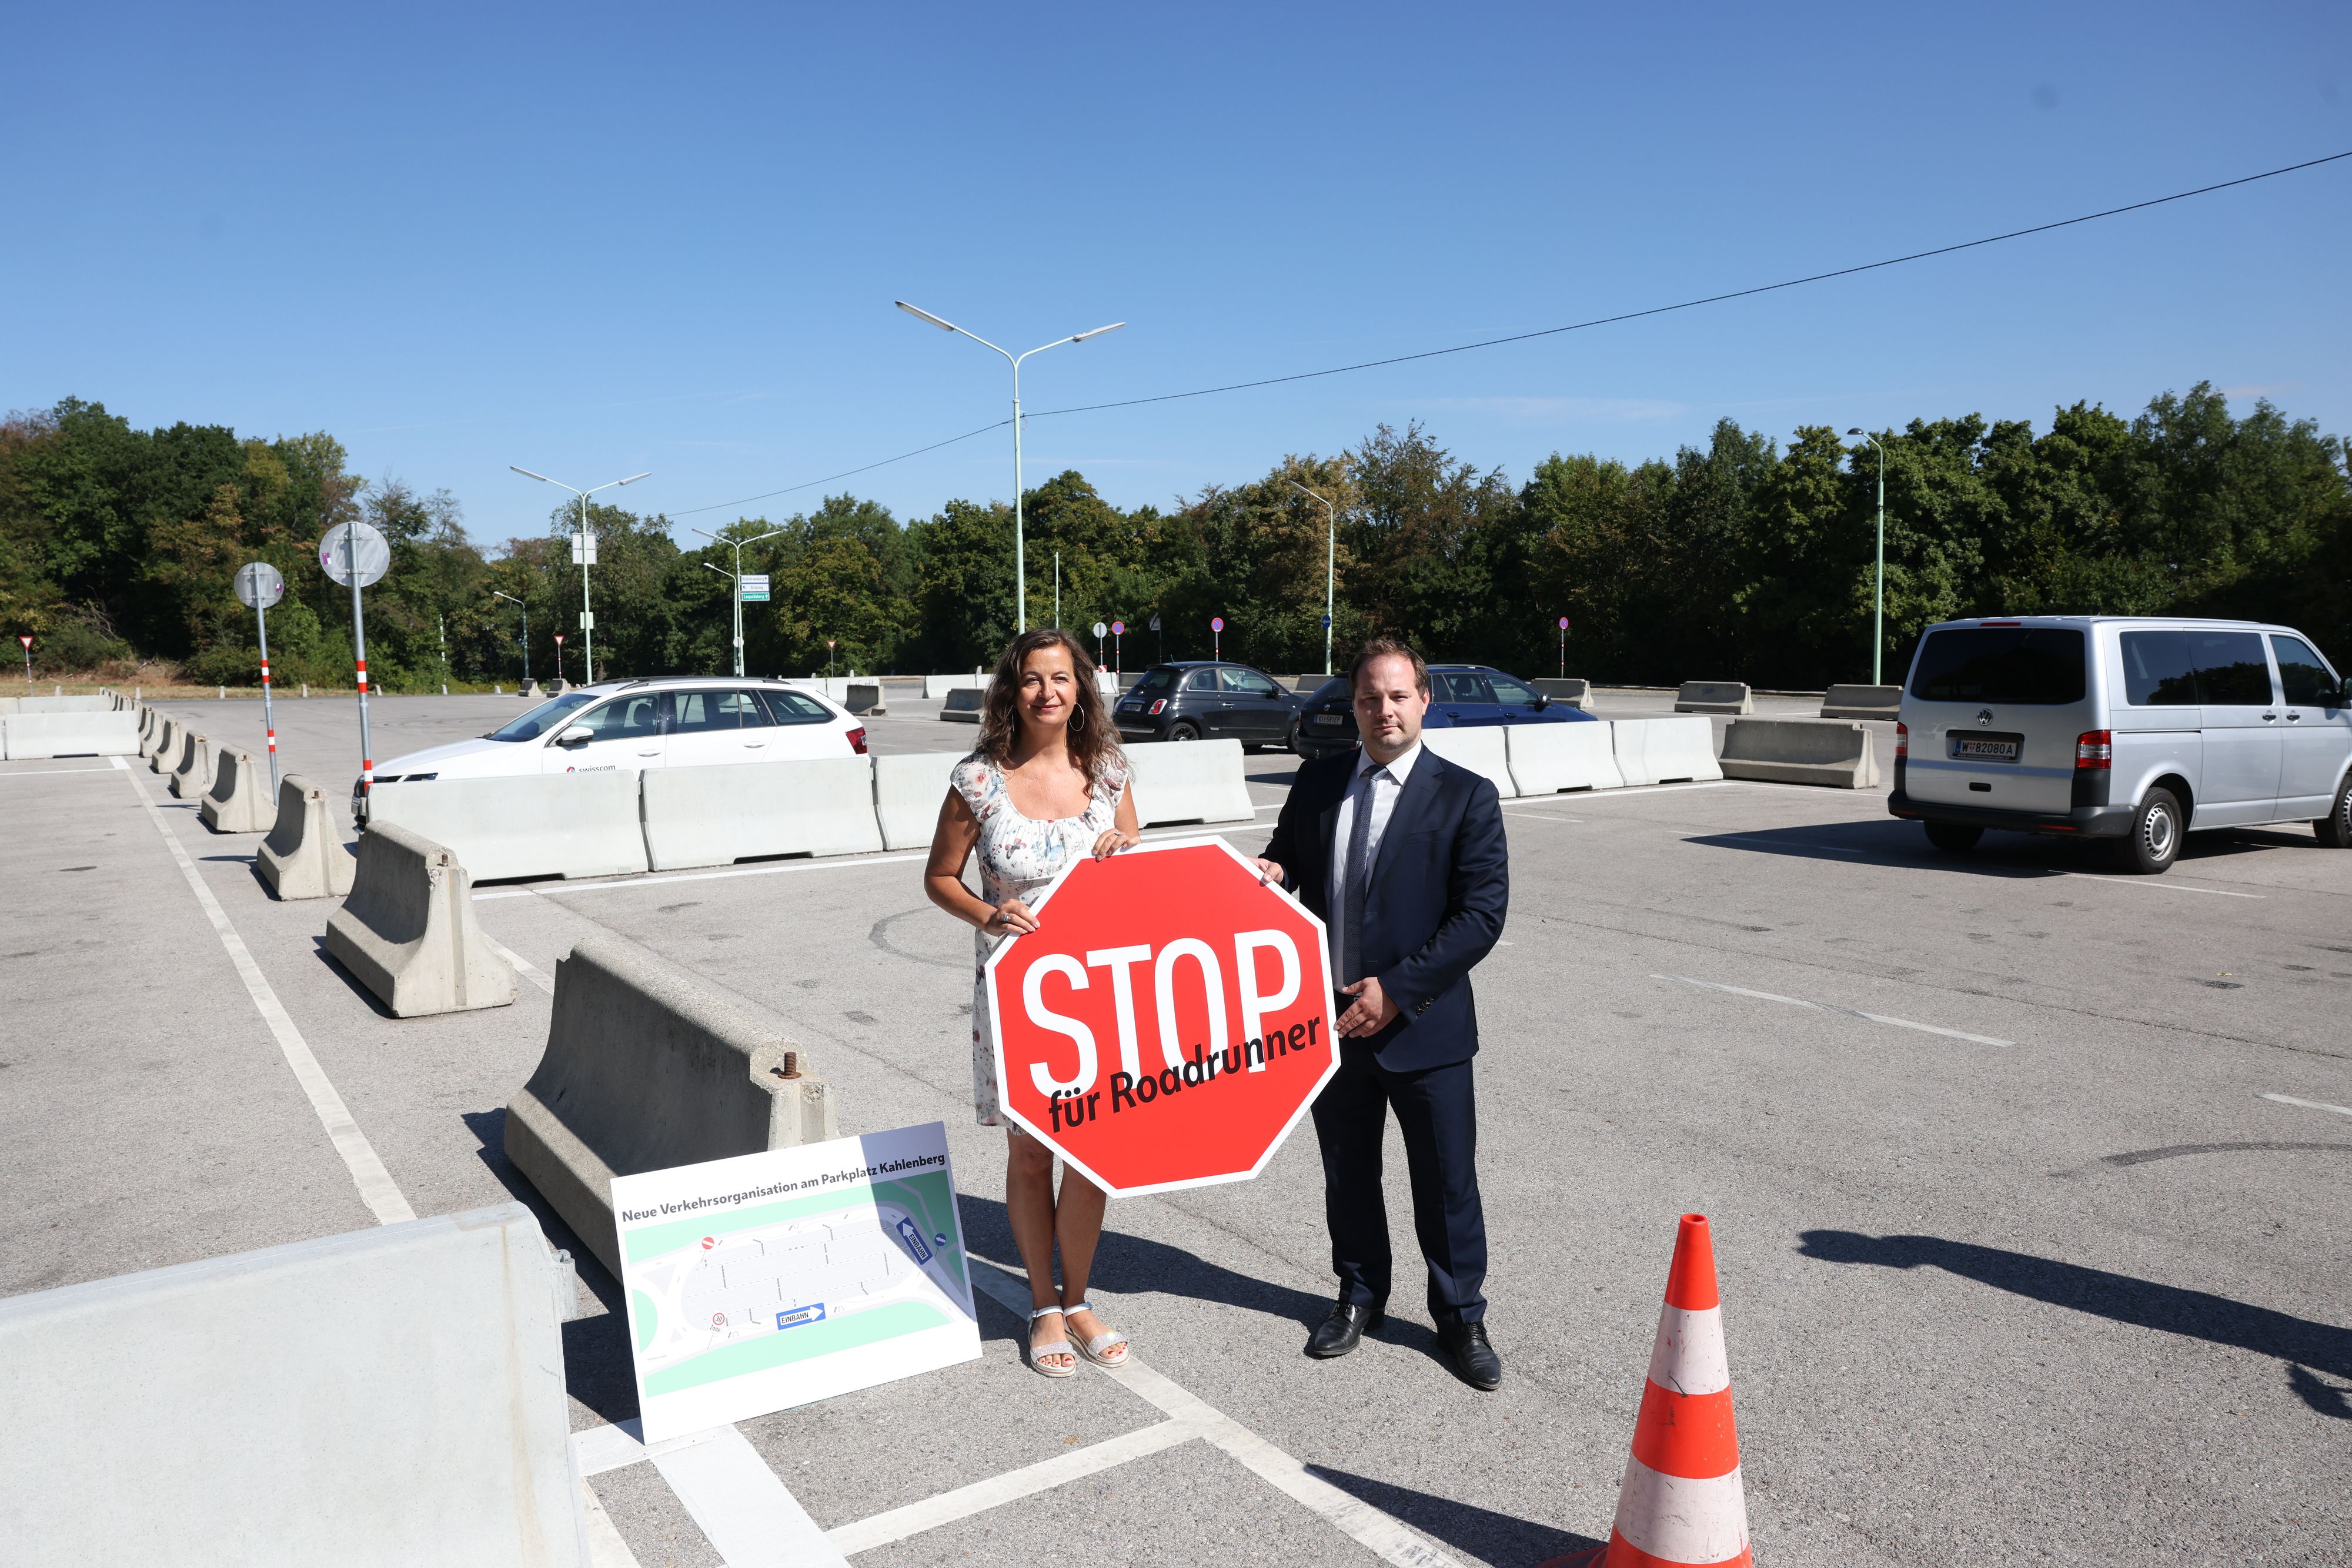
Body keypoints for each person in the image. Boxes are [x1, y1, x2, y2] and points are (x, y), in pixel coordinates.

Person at [1254, 637, 1509, 1389]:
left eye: (1398, 696)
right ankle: (1360, 1295)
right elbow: (1289, 861)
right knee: (1348, 1174)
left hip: (1423, 1026)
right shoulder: (1319, 780)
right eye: (1370, 697)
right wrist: (1272, 873)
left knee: (1446, 1181)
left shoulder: (1465, 795)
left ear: (1424, 701)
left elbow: (1481, 916)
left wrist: (1395, 989)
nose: (1384, 710)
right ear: (1352, 705)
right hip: (1327, 1026)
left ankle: (1460, 1315)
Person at [924, 628, 1144, 1379]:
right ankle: (1043, 1307)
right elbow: (940, 878)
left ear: (1081, 687)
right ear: (1010, 692)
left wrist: (1123, 856)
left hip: (1098, 997)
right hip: (1018, 997)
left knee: (1090, 1155)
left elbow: (1138, 874)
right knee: (1030, 1151)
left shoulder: (1111, 773)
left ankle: (1078, 1298)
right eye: (1030, 680)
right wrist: (988, 915)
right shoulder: (978, 780)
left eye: (1060, 677)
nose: (1047, 692)